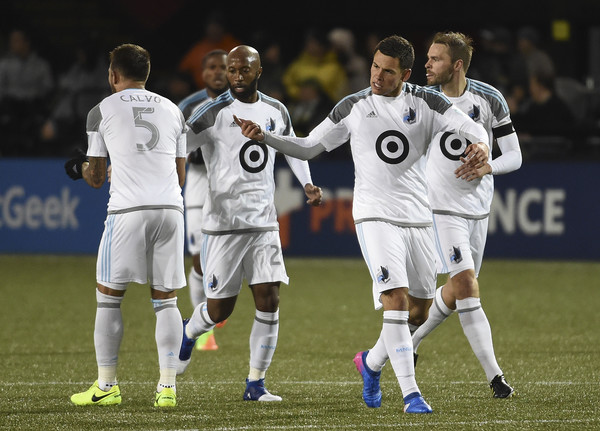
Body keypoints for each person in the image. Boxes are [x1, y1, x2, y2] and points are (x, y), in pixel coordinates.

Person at [235, 35, 490, 414]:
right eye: (374, 66)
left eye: (387, 71)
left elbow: (471, 128)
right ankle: (411, 395)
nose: (377, 76)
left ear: (404, 73)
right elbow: (308, 146)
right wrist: (267, 137)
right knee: (396, 300)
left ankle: (370, 364)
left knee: (418, 310)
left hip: (418, 216)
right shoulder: (352, 107)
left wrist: (482, 146)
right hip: (373, 213)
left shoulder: (427, 102)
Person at [178, 45, 323, 402]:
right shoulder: (211, 112)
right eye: (232, 70)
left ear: (258, 72)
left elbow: (291, 146)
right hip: (223, 225)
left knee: (269, 298)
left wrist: (306, 182)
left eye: (244, 70)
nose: (237, 76)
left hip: (263, 222)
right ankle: (188, 331)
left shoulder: (276, 110)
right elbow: (179, 144)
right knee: (218, 309)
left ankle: (255, 384)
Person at [65, 43, 188, 408]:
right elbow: (180, 174)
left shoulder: (100, 111)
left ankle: (107, 386)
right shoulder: (173, 110)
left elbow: (97, 177)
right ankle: (167, 387)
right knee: (167, 301)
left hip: (127, 211)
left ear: (113, 75)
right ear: (146, 74)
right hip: (170, 208)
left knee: (108, 299)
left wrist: (81, 168)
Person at [412, 32, 522, 399]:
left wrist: (487, 166)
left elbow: (514, 155)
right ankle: (496, 378)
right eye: (427, 58)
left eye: (436, 59)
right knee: (467, 286)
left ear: (456, 65)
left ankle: (402, 346)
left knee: (459, 291)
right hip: (439, 208)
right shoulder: (420, 100)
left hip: (478, 210)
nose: (427, 65)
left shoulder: (488, 98)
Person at [178, 49, 228, 351]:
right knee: (200, 259)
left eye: (223, 67)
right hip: (197, 188)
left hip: (228, 191)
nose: (218, 72)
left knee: (223, 260)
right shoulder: (187, 106)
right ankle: (203, 329)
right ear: (203, 72)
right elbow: (176, 146)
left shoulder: (242, 102)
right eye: (211, 68)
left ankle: (217, 303)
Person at [0, 27, 53, 156]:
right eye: (12, 41)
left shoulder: (41, 65)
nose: (13, 44)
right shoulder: (5, 64)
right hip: (10, 109)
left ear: (26, 43)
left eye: (17, 41)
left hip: (32, 109)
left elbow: (47, 89)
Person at [282, 28, 348, 104]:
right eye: (308, 42)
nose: (309, 45)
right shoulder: (298, 64)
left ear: (322, 46)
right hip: (298, 109)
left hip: (325, 110)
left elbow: (342, 93)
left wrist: (321, 97)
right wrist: (298, 93)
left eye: (313, 42)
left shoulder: (335, 68)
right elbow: (287, 83)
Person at [178, 11, 240, 90]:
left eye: (218, 27)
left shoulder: (233, 45)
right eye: (212, 26)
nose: (214, 30)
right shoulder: (198, 49)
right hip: (205, 94)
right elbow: (182, 70)